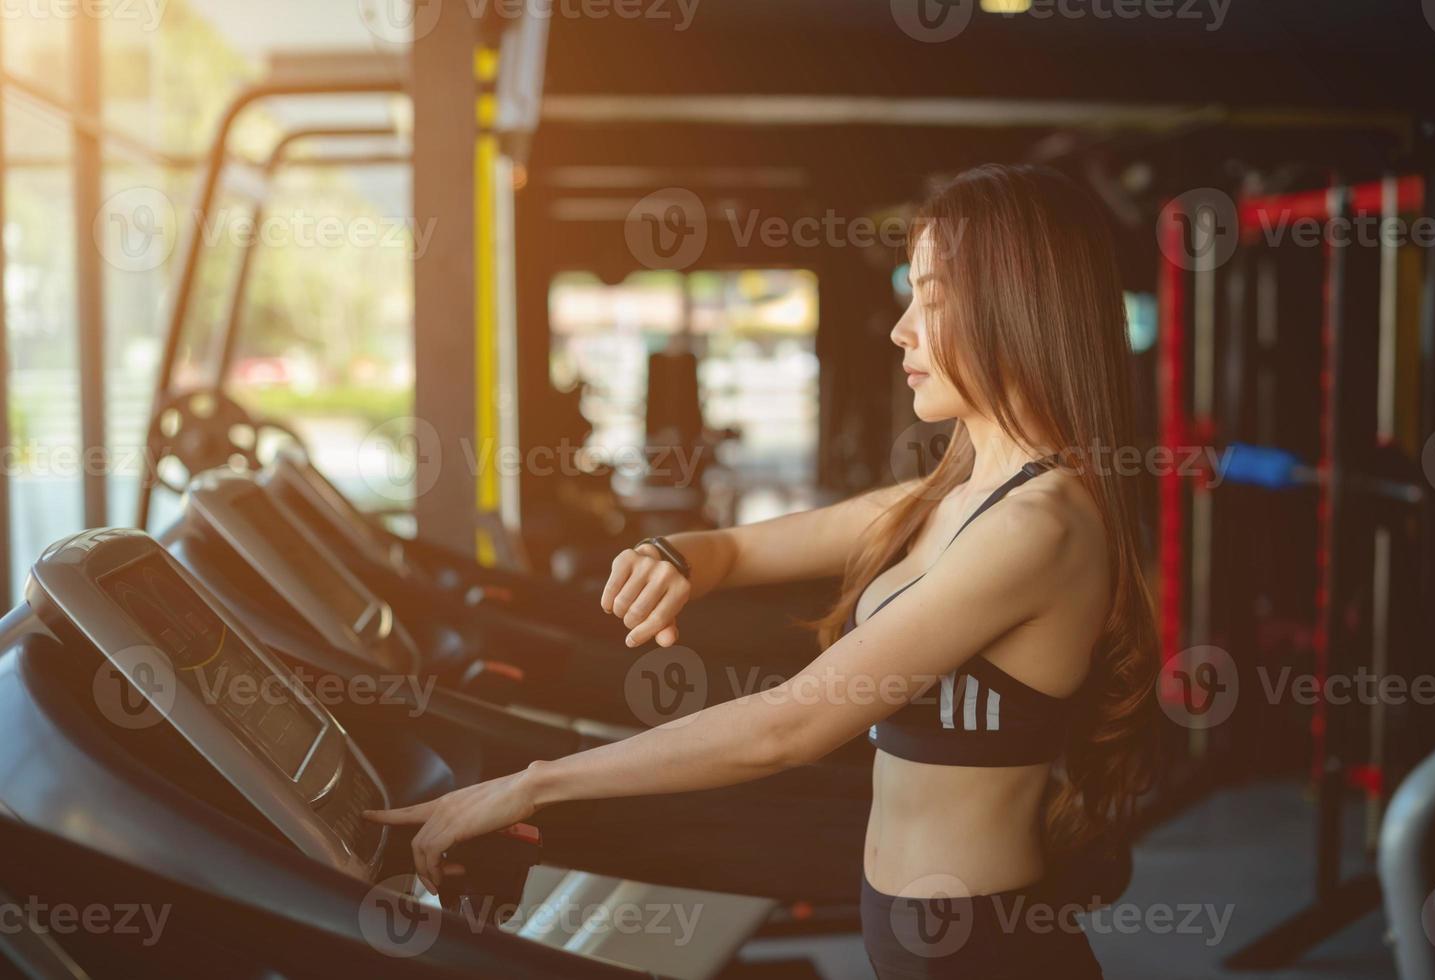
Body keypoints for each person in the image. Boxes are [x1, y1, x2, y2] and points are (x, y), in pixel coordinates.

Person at [367, 163, 1159, 979]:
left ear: (1013, 305)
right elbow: (740, 549)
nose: (900, 328)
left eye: (931, 296)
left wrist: (533, 785)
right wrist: (676, 556)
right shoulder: (952, 494)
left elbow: (790, 725)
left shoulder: (1040, 526)